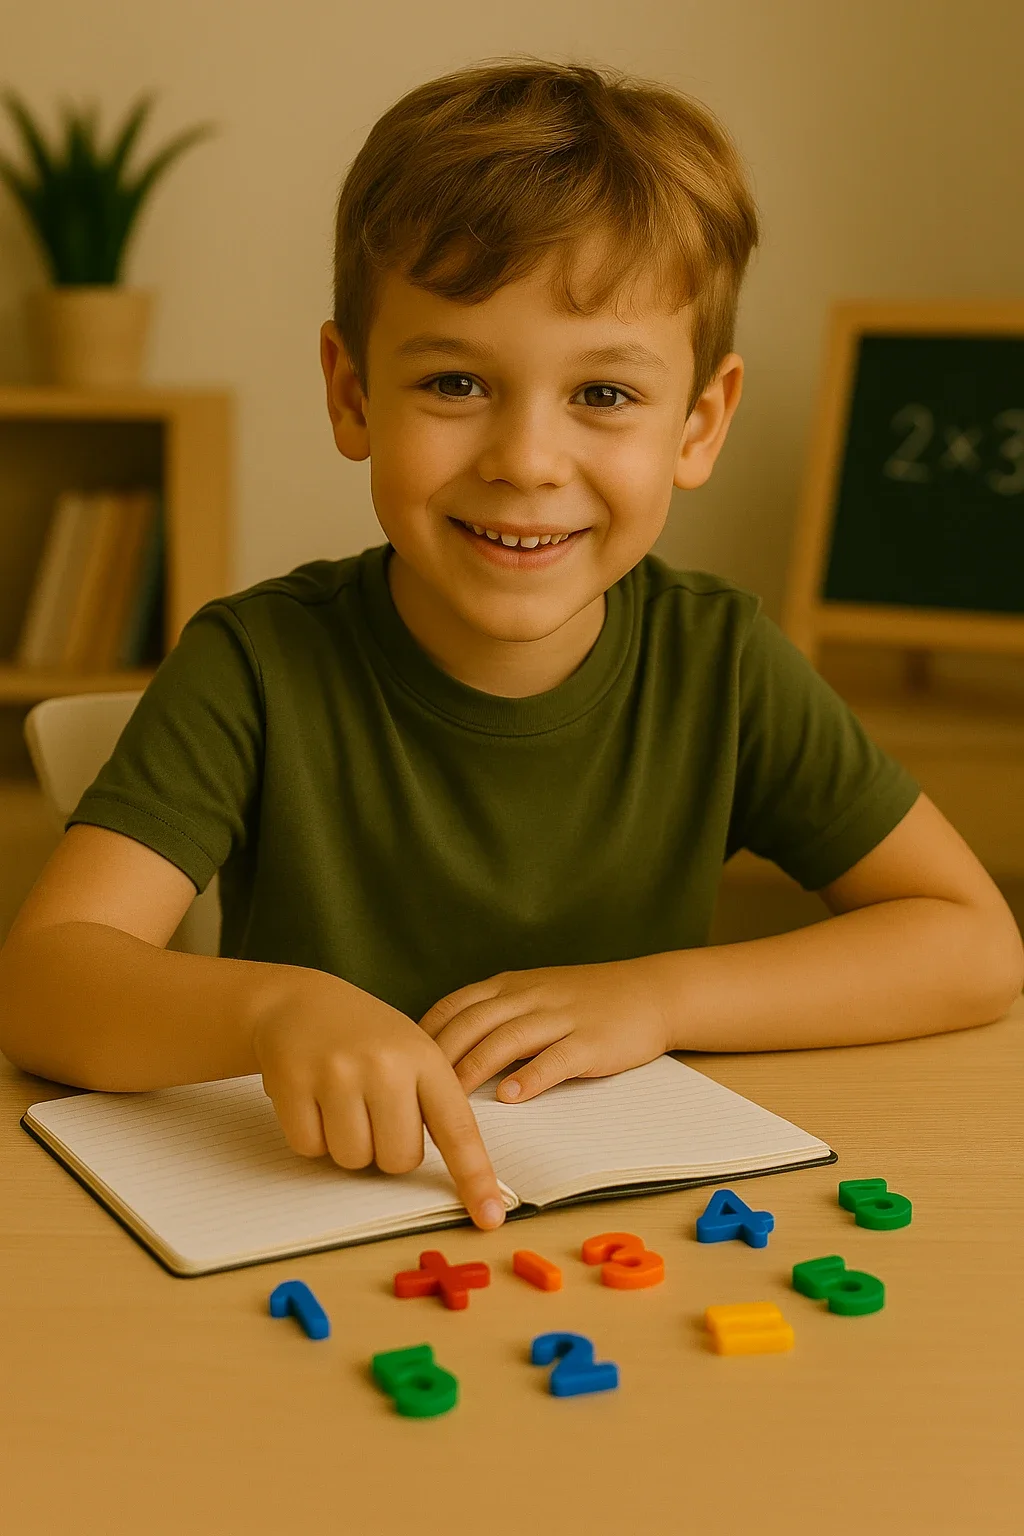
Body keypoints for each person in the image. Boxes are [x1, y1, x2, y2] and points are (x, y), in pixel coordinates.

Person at [1, 59, 1020, 1234]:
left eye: (602, 396)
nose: (527, 460)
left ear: (700, 423)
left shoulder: (721, 662)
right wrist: (272, 1013)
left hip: (617, 1242)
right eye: (454, 381)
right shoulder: (254, 663)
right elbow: (43, 979)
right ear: (351, 395)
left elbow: (972, 945)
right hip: (311, 1237)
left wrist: (658, 997)